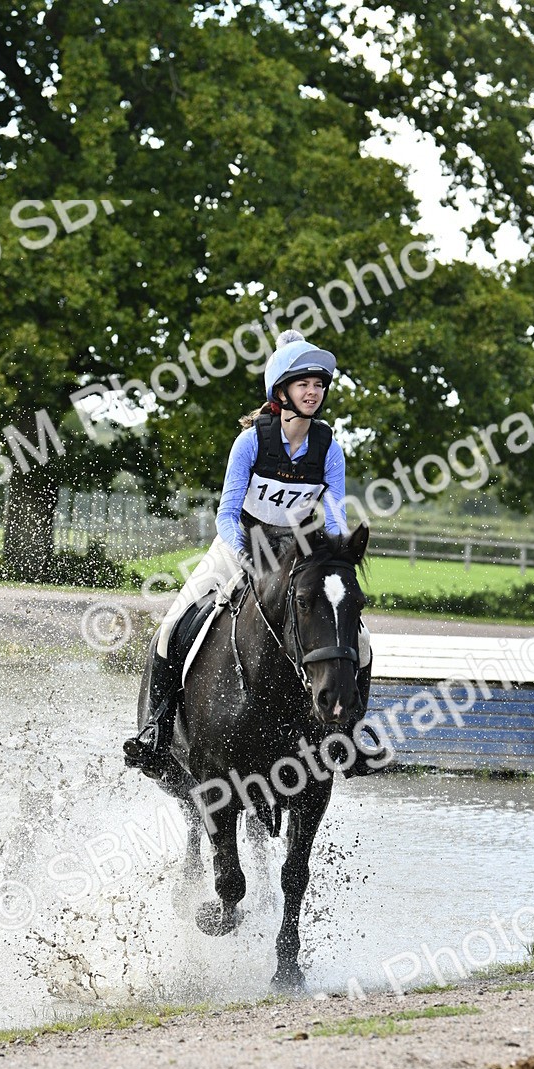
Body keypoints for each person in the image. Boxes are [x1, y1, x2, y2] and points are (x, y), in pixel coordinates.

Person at [123, 329, 372, 775]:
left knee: (363, 642)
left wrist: (335, 559)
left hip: (300, 553)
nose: (313, 392)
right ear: (282, 392)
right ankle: (157, 734)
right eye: (304, 385)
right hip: (241, 543)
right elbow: (226, 513)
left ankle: (347, 737)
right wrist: (245, 557)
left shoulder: (329, 447)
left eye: (319, 385)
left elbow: (333, 520)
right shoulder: (252, 442)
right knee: (172, 626)